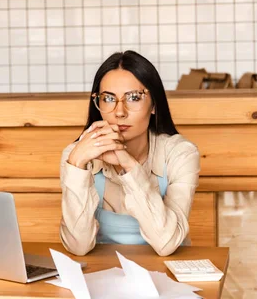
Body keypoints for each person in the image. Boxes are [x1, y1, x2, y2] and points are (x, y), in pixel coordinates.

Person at [59, 50, 200, 257]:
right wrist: (76, 165)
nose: (119, 112)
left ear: (154, 105)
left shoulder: (180, 154)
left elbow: (166, 243)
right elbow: (77, 246)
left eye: (133, 98)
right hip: (99, 277)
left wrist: (129, 166)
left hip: (166, 277)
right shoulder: (76, 156)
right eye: (108, 98)